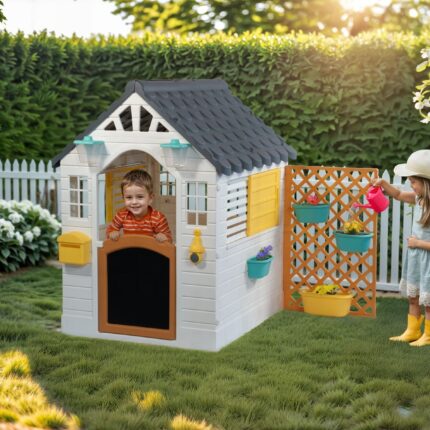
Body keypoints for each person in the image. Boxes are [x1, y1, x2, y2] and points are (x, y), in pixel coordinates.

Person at [372, 149, 430, 347]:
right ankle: (412, 331)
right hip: (415, 257)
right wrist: (383, 183)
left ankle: (428, 335)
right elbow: (397, 194)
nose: (410, 185)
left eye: (413, 182)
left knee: (428, 302)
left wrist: (419, 243)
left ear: (426, 183)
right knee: (413, 297)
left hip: (427, 258)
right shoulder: (419, 199)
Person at [106, 169, 172, 243]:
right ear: (123, 198)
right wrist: (112, 233)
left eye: (140, 197)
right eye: (129, 197)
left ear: (150, 198)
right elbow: (110, 230)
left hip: (150, 249)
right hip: (129, 248)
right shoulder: (121, 215)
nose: (134, 202)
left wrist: (163, 237)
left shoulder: (158, 218)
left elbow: (169, 239)